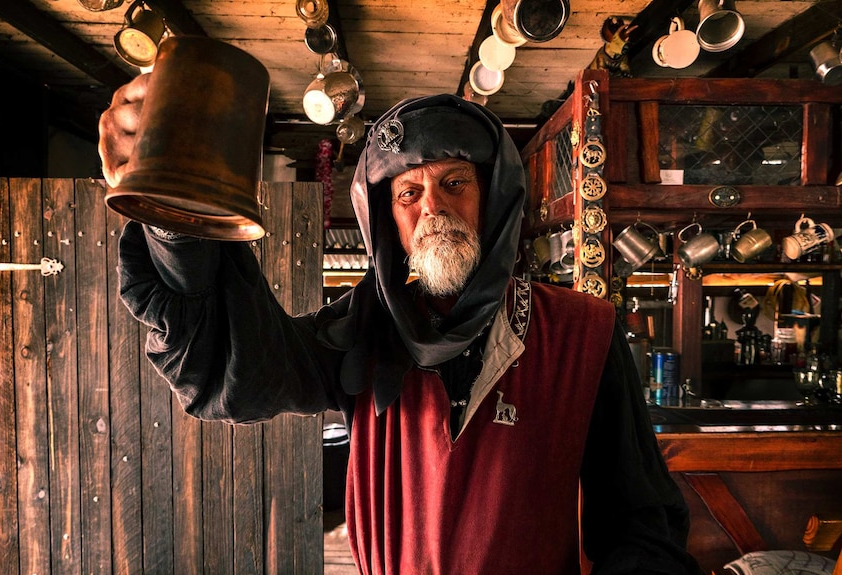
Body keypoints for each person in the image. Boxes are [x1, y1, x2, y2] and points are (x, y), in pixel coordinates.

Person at [99, 76, 704, 575]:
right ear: (387, 221)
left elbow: (641, 526)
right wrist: (172, 213)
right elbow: (243, 374)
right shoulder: (367, 332)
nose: (432, 207)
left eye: (455, 183)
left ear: (495, 200)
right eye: (407, 192)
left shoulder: (583, 335)